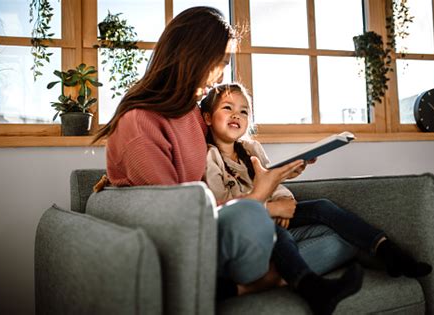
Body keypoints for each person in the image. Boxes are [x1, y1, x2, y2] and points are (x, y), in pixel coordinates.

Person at [92, 5, 319, 310]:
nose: (222, 75)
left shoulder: (191, 113)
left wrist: (282, 170)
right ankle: (255, 281)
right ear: (194, 55)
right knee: (252, 216)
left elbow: (229, 150)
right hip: (186, 243)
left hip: (207, 229)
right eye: (222, 62)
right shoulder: (139, 123)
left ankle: (279, 276)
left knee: (331, 232)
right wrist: (260, 197)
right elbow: (177, 222)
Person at [199, 82, 433, 305]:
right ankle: (305, 283)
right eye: (227, 108)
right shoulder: (210, 157)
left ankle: (388, 251)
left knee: (323, 207)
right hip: (252, 225)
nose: (236, 115)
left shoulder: (251, 149)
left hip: (275, 208)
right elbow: (227, 207)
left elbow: (273, 181)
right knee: (282, 234)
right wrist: (272, 209)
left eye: (243, 111)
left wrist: (284, 196)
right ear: (208, 117)